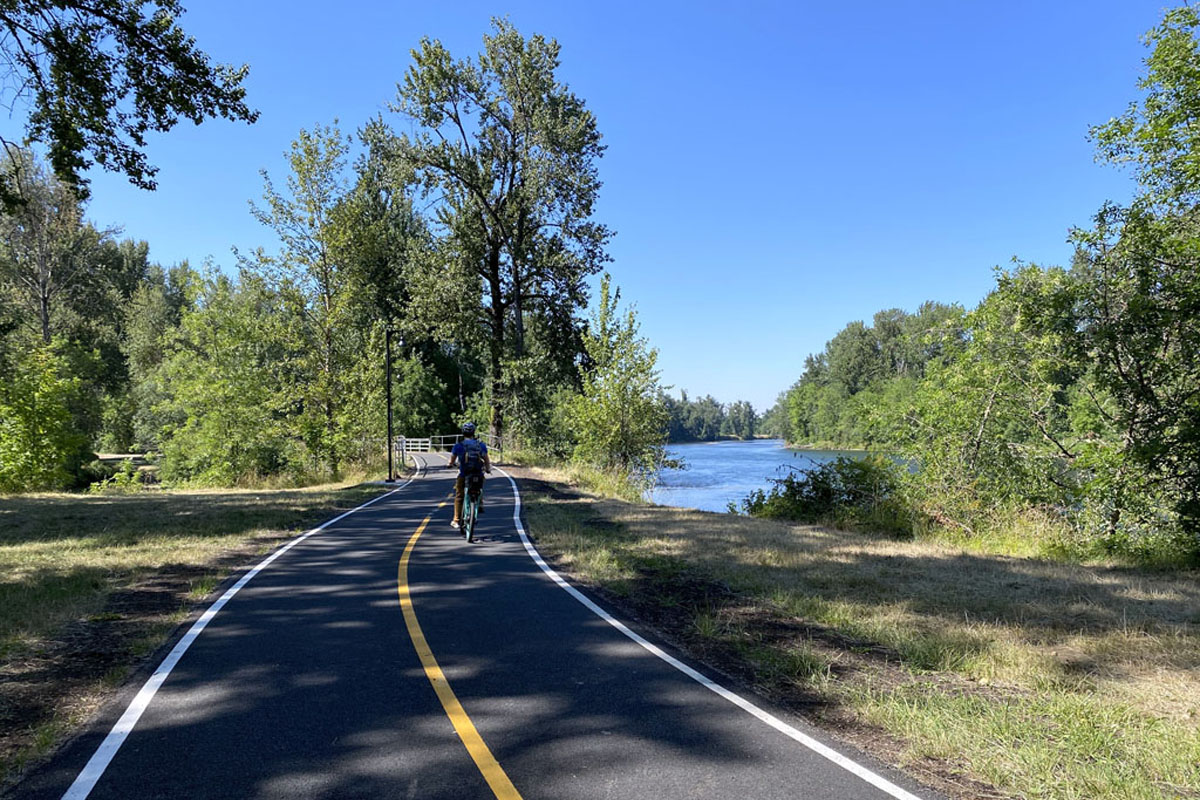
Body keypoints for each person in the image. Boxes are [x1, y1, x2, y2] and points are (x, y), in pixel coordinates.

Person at [446, 422, 491, 529]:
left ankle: (456, 520)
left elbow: (451, 461)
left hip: (464, 474)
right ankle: (480, 503)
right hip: (477, 474)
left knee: (459, 495)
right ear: (473, 432)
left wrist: (449, 465)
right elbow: (486, 459)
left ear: (463, 433)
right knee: (480, 485)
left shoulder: (458, 446)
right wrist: (488, 469)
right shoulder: (481, 445)